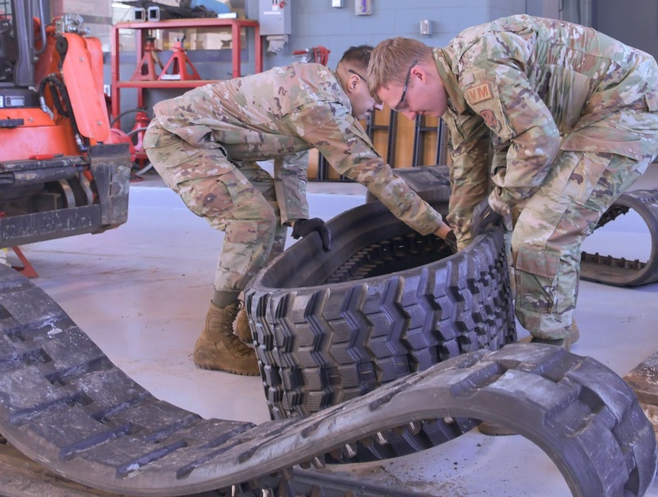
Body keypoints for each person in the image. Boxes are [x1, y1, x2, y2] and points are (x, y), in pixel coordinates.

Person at [367, 15, 658, 348]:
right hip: (589, 115)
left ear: (418, 75)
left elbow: (539, 140)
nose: (410, 117)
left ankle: (550, 344)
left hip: (630, 105)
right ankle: (554, 318)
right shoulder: (455, 88)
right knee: (521, 216)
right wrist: (463, 238)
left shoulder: (477, 69)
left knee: (540, 231)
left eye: (403, 104)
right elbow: (468, 170)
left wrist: (500, 201)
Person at [144, 45, 453, 376]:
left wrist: (296, 213)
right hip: (179, 139)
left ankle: (251, 317)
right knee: (253, 219)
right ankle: (214, 340)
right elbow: (372, 172)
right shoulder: (319, 103)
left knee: (273, 214)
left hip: (208, 143)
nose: (378, 106)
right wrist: (440, 228)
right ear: (353, 81)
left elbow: (290, 153)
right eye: (375, 95)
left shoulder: (313, 87)